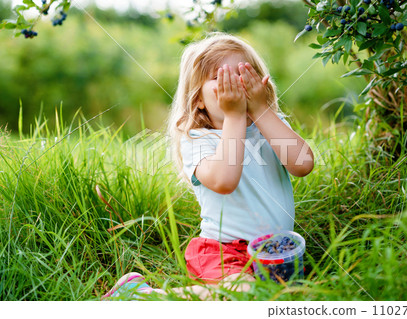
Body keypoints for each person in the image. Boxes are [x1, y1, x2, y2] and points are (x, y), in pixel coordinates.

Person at [102, 32, 314, 300]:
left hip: (275, 251)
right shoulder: (198, 140)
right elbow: (224, 181)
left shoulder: (270, 126)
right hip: (223, 251)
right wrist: (235, 115)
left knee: (279, 296)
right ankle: (141, 297)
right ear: (199, 99)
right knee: (248, 292)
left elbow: (304, 164)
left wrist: (261, 110)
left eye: (242, 74)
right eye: (220, 78)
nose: (235, 84)